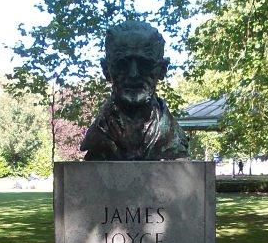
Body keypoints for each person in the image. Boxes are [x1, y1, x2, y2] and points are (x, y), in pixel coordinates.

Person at [80, 20, 189, 161]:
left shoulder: (172, 139)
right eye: (122, 64)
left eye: (145, 64)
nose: (133, 74)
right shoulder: (98, 137)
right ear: (106, 70)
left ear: (162, 69)